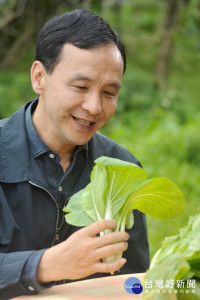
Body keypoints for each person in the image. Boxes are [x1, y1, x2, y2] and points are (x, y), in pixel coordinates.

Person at [0, 9, 149, 299]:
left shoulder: (124, 168)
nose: (94, 107)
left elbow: (135, 282)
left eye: (109, 93)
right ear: (39, 77)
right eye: (80, 87)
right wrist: (44, 265)